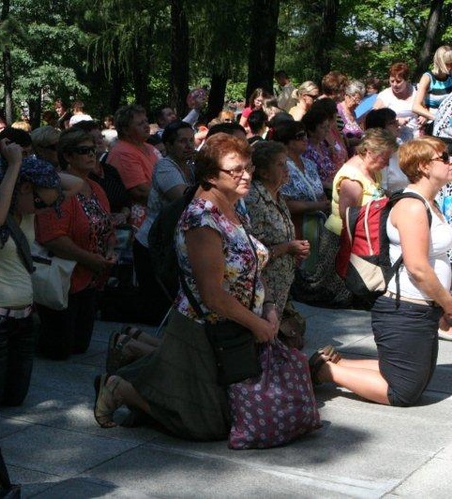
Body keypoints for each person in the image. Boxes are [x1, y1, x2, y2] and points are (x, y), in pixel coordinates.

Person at [93, 134, 277, 438]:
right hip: (201, 326)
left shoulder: (232, 207)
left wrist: (267, 306)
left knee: (220, 413)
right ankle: (120, 388)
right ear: (209, 176)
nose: (246, 175)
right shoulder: (201, 219)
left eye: (249, 167)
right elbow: (212, 294)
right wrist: (256, 323)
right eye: (235, 170)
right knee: (205, 425)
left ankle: (132, 359)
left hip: (232, 326)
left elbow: (253, 264)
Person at [311, 137, 452, 406]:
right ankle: (326, 371)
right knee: (402, 392)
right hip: (404, 308)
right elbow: (418, 267)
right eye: (444, 157)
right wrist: (449, 305)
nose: (450, 162)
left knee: (414, 379)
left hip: (420, 308)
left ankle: (333, 361)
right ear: (423, 166)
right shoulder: (412, 206)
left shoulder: (429, 203)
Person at [0, 148, 79, 408]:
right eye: (43, 203)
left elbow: (77, 184)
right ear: (26, 188)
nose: (47, 209)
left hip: (25, 318)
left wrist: (31, 164)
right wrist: (16, 165)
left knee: (16, 398)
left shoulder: (28, 213)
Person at [35, 128, 115, 360]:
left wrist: (109, 250)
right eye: (83, 151)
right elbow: (52, 236)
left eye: (93, 150)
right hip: (64, 279)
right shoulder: (58, 188)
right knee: (58, 351)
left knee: (80, 346)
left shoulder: (96, 187)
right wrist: (89, 258)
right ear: (67, 156)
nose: (91, 155)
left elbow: (108, 226)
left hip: (92, 278)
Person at [299, 128, 397, 307]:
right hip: (342, 237)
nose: (388, 163)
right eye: (385, 157)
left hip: (360, 235)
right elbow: (348, 215)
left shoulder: (372, 169)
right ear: (369, 151)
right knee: (333, 287)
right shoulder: (352, 178)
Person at [245, 141, 310, 347]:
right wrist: (287, 248)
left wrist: (295, 250)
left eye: (286, 163)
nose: (286, 169)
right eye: (280, 165)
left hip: (280, 283)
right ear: (263, 172)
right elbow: (252, 249)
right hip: (263, 283)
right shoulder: (254, 198)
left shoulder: (278, 195)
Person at [134, 120, 196, 321]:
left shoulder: (191, 167)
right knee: (157, 311)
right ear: (168, 145)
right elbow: (182, 199)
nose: (189, 146)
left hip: (172, 244)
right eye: (182, 141)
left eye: (191, 141)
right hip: (153, 243)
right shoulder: (165, 167)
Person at [105, 104, 159, 229]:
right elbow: (140, 192)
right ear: (125, 130)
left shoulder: (149, 147)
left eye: (146, 121)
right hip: (143, 220)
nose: (146, 126)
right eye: (140, 124)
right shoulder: (123, 152)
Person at [373, 62, 419, 143]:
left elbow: (425, 107)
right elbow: (374, 118)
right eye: (392, 81)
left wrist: (424, 117)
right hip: (394, 140)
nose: (394, 84)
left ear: (406, 80)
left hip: (416, 138)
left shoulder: (416, 91)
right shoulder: (385, 95)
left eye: (398, 81)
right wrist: (396, 121)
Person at [413, 46, 452, 134]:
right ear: (440, 62)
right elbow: (416, 106)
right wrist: (437, 118)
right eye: (448, 64)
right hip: (432, 127)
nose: (451, 67)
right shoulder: (428, 78)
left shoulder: (450, 77)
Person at [338, 80, 366, 148]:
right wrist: (360, 142)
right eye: (355, 100)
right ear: (346, 96)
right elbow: (337, 137)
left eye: (359, 101)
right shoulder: (338, 110)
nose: (357, 103)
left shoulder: (353, 113)